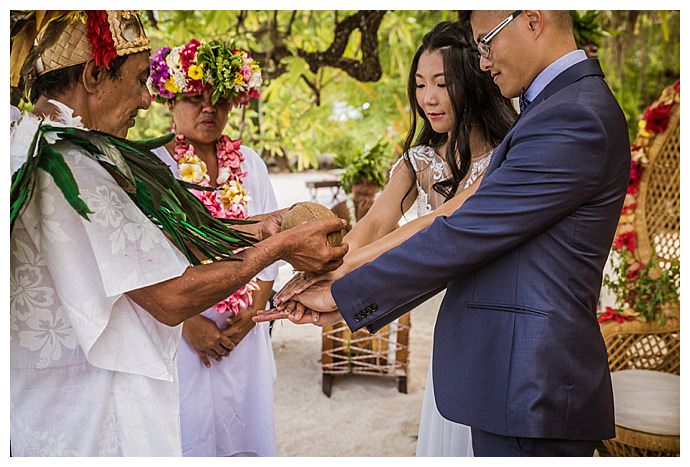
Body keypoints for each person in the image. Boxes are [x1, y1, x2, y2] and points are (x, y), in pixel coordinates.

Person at [260, 10, 631, 456]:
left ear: (532, 20)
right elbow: (440, 233)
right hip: (507, 382)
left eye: (486, 43)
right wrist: (337, 274)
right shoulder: (557, 109)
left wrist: (342, 291)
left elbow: (460, 233)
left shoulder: (572, 117)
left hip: (532, 387)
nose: (485, 61)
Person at [9, 10, 346, 456]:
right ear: (93, 75)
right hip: (85, 424)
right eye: (138, 80)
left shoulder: (27, 141)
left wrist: (258, 227)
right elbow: (170, 299)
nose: (147, 99)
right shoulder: (73, 165)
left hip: (46, 409)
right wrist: (279, 245)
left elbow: (163, 234)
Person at [273, 20, 516, 456]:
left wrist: (344, 276)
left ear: (475, 81)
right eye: (421, 85)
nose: (429, 98)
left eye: (442, 84)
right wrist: (327, 267)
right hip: (456, 326)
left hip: (505, 324)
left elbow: (440, 222)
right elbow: (375, 223)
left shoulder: (507, 157)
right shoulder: (418, 160)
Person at [148, 39, 279, 456]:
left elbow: (273, 246)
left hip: (245, 331)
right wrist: (190, 324)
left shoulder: (251, 163)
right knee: (190, 436)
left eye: (220, 98)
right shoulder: (154, 166)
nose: (209, 109)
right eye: (194, 98)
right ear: (169, 100)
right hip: (182, 336)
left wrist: (251, 315)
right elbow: (145, 264)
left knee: (246, 436)